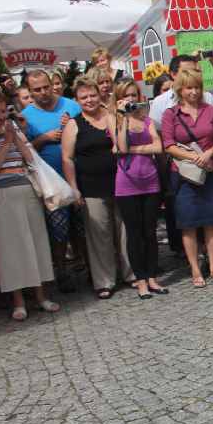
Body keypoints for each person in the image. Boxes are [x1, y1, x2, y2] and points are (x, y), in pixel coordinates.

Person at [0, 89, 59, 320]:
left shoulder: (12, 128)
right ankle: (17, 300)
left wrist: (18, 135)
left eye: (3, 111)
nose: (0, 116)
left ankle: (40, 296)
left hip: (25, 190)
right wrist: (6, 143)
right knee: (9, 250)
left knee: (35, 243)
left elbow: (29, 158)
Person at [62, 78, 133, 299]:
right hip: (91, 187)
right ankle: (104, 280)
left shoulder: (111, 117)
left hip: (120, 182)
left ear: (98, 95)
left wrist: (119, 119)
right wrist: (74, 188)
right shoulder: (74, 124)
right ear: (77, 100)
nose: (89, 100)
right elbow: (67, 158)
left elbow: (121, 147)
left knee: (124, 231)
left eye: (92, 95)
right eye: (84, 97)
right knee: (99, 234)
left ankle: (130, 273)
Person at [161, 68, 213, 288]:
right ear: (180, 89)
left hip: (210, 171)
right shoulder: (171, 114)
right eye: (189, 87)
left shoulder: (210, 111)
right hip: (184, 176)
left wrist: (208, 153)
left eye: (197, 87)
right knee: (188, 224)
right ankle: (195, 269)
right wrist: (193, 156)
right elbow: (168, 145)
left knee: (211, 221)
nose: (194, 92)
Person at [20, 69, 83, 292]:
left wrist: (72, 127)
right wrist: (43, 139)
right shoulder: (26, 116)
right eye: (37, 90)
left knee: (82, 225)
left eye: (46, 87)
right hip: (50, 181)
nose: (44, 92)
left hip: (79, 176)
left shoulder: (71, 106)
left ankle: (85, 266)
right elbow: (23, 151)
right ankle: (61, 269)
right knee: (59, 228)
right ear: (30, 91)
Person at [112, 81, 167, 298]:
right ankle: (140, 279)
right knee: (134, 234)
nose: (132, 100)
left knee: (150, 232)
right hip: (127, 184)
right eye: (127, 96)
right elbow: (121, 146)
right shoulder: (116, 120)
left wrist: (135, 149)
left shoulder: (147, 120)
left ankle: (152, 276)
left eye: (134, 95)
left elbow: (158, 146)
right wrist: (123, 117)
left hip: (150, 181)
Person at [149, 55, 213, 129]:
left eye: (194, 71)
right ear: (173, 74)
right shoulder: (159, 102)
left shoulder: (207, 97)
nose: (191, 75)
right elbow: (156, 134)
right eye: (186, 72)